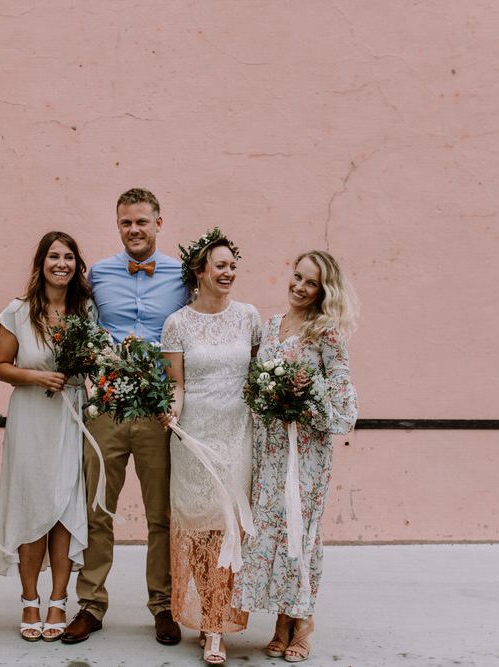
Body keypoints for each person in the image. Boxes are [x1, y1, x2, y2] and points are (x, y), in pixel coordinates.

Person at [61, 188, 187, 646]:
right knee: (98, 510)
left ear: (159, 222)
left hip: (158, 411)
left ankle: (164, 606)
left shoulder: (183, 273)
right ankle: (91, 606)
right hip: (107, 409)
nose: (134, 230)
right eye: (126, 223)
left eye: (142, 222)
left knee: (161, 515)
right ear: (118, 226)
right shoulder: (99, 273)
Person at [233, 250, 358, 663]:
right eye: (297, 277)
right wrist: (268, 397)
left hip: (306, 452)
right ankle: (280, 621)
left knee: (300, 531)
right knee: (269, 529)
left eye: (311, 283)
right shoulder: (270, 327)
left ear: (323, 291)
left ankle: (301, 621)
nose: (299, 288)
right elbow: (253, 386)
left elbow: (342, 403)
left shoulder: (327, 334)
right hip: (269, 450)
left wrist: (304, 400)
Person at [159, 229, 260, 665]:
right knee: (199, 529)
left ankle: (217, 625)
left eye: (232, 266)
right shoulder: (177, 323)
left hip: (237, 434)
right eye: (220, 265)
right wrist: (171, 414)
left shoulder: (250, 317)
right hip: (194, 437)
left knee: (227, 526)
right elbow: (177, 385)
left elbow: (257, 377)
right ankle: (208, 617)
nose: (229, 272)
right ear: (199, 272)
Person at [0, 231, 93, 643]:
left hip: (70, 413)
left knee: (65, 505)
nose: (62, 264)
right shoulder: (18, 311)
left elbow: (97, 359)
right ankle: (29, 599)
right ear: (41, 262)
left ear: (76, 265)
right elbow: (1, 366)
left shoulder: (85, 310)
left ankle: (58, 600)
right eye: (54, 256)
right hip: (31, 414)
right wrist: (36, 376)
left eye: (69, 257)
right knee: (32, 502)